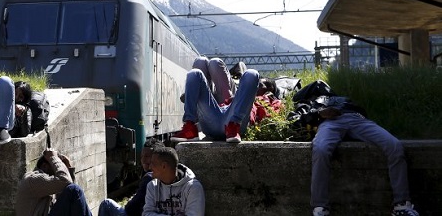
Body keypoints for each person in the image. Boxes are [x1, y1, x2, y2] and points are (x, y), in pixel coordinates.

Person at [290, 80, 419, 216]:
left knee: (394, 145)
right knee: (321, 149)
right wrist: (318, 114)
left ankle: (402, 205)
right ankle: (320, 208)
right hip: (329, 123)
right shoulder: (308, 103)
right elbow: (295, 121)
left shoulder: (343, 98)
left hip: (358, 120)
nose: (321, 87)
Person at [172, 57, 260, 143]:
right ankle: (190, 126)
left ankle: (234, 126)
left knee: (252, 73)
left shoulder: (242, 97)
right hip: (212, 121)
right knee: (194, 73)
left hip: (233, 120)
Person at [15, 149, 93, 216]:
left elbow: (71, 198)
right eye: (55, 166)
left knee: (104, 204)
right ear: (45, 166)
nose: (58, 170)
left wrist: (68, 168)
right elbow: (67, 183)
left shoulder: (49, 183)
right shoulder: (33, 179)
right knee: (75, 189)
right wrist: (53, 157)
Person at [98, 138, 165, 216]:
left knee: (106, 204)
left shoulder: (149, 178)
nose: (143, 160)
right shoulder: (166, 175)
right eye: (142, 156)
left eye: (147, 156)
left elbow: (131, 209)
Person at [143, 146, 205, 215]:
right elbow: (146, 213)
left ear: (164, 166)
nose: (150, 167)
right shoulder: (152, 186)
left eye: (153, 164)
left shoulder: (193, 187)